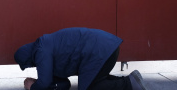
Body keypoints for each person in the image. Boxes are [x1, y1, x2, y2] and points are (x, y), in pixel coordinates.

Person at [14, 27, 148, 90]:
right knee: (96, 80)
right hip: (106, 48)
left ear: (27, 58)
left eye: (28, 65)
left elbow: (44, 83)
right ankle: (131, 80)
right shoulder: (45, 49)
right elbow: (64, 84)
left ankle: (129, 84)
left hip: (98, 51)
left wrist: (33, 87)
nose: (32, 67)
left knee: (90, 88)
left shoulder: (41, 50)